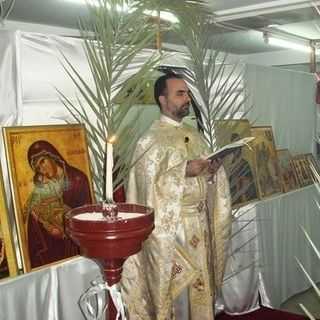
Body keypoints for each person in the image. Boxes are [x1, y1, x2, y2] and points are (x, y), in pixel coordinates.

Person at [121, 73, 232, 320]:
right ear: (162, 100)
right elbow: (146, 189)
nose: (187, 99)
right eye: (180, 93)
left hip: (201, 224)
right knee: (181, 291)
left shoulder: (194, 134)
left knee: (202, 286)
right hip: (175, 231)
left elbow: (205, 176)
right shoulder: (149, 141)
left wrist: (212, 173)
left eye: (187, 93)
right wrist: (184, 171)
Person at [23, 140, 92, 269]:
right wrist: (39, 221)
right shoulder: (43, 188)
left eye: (42, 161)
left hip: (76, 251)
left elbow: (87, 217)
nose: (42, 169)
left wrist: (64, 232)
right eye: (37, 168)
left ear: (52, 156)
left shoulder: (77, 179)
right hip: (55, 252)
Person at [227, 133, 257, 206]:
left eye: (239, 144)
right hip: (235, 203)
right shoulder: (229, 165)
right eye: (235, 144)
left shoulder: (245, 164)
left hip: (247, 202)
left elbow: (249, 185)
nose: (237, 148)